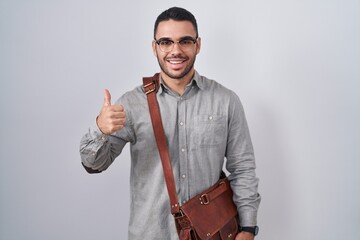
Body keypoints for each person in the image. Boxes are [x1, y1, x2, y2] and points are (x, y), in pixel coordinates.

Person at [80, 6, 261, 240]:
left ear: (198, 45)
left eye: (185, 41)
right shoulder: (132, 104)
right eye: (166, 42)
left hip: (213, 233)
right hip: (151, 234)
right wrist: (100, 129)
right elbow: (94, 165)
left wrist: (247, 228)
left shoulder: (226, 101)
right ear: (154, 47)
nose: (175, 50)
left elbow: (242, 168)